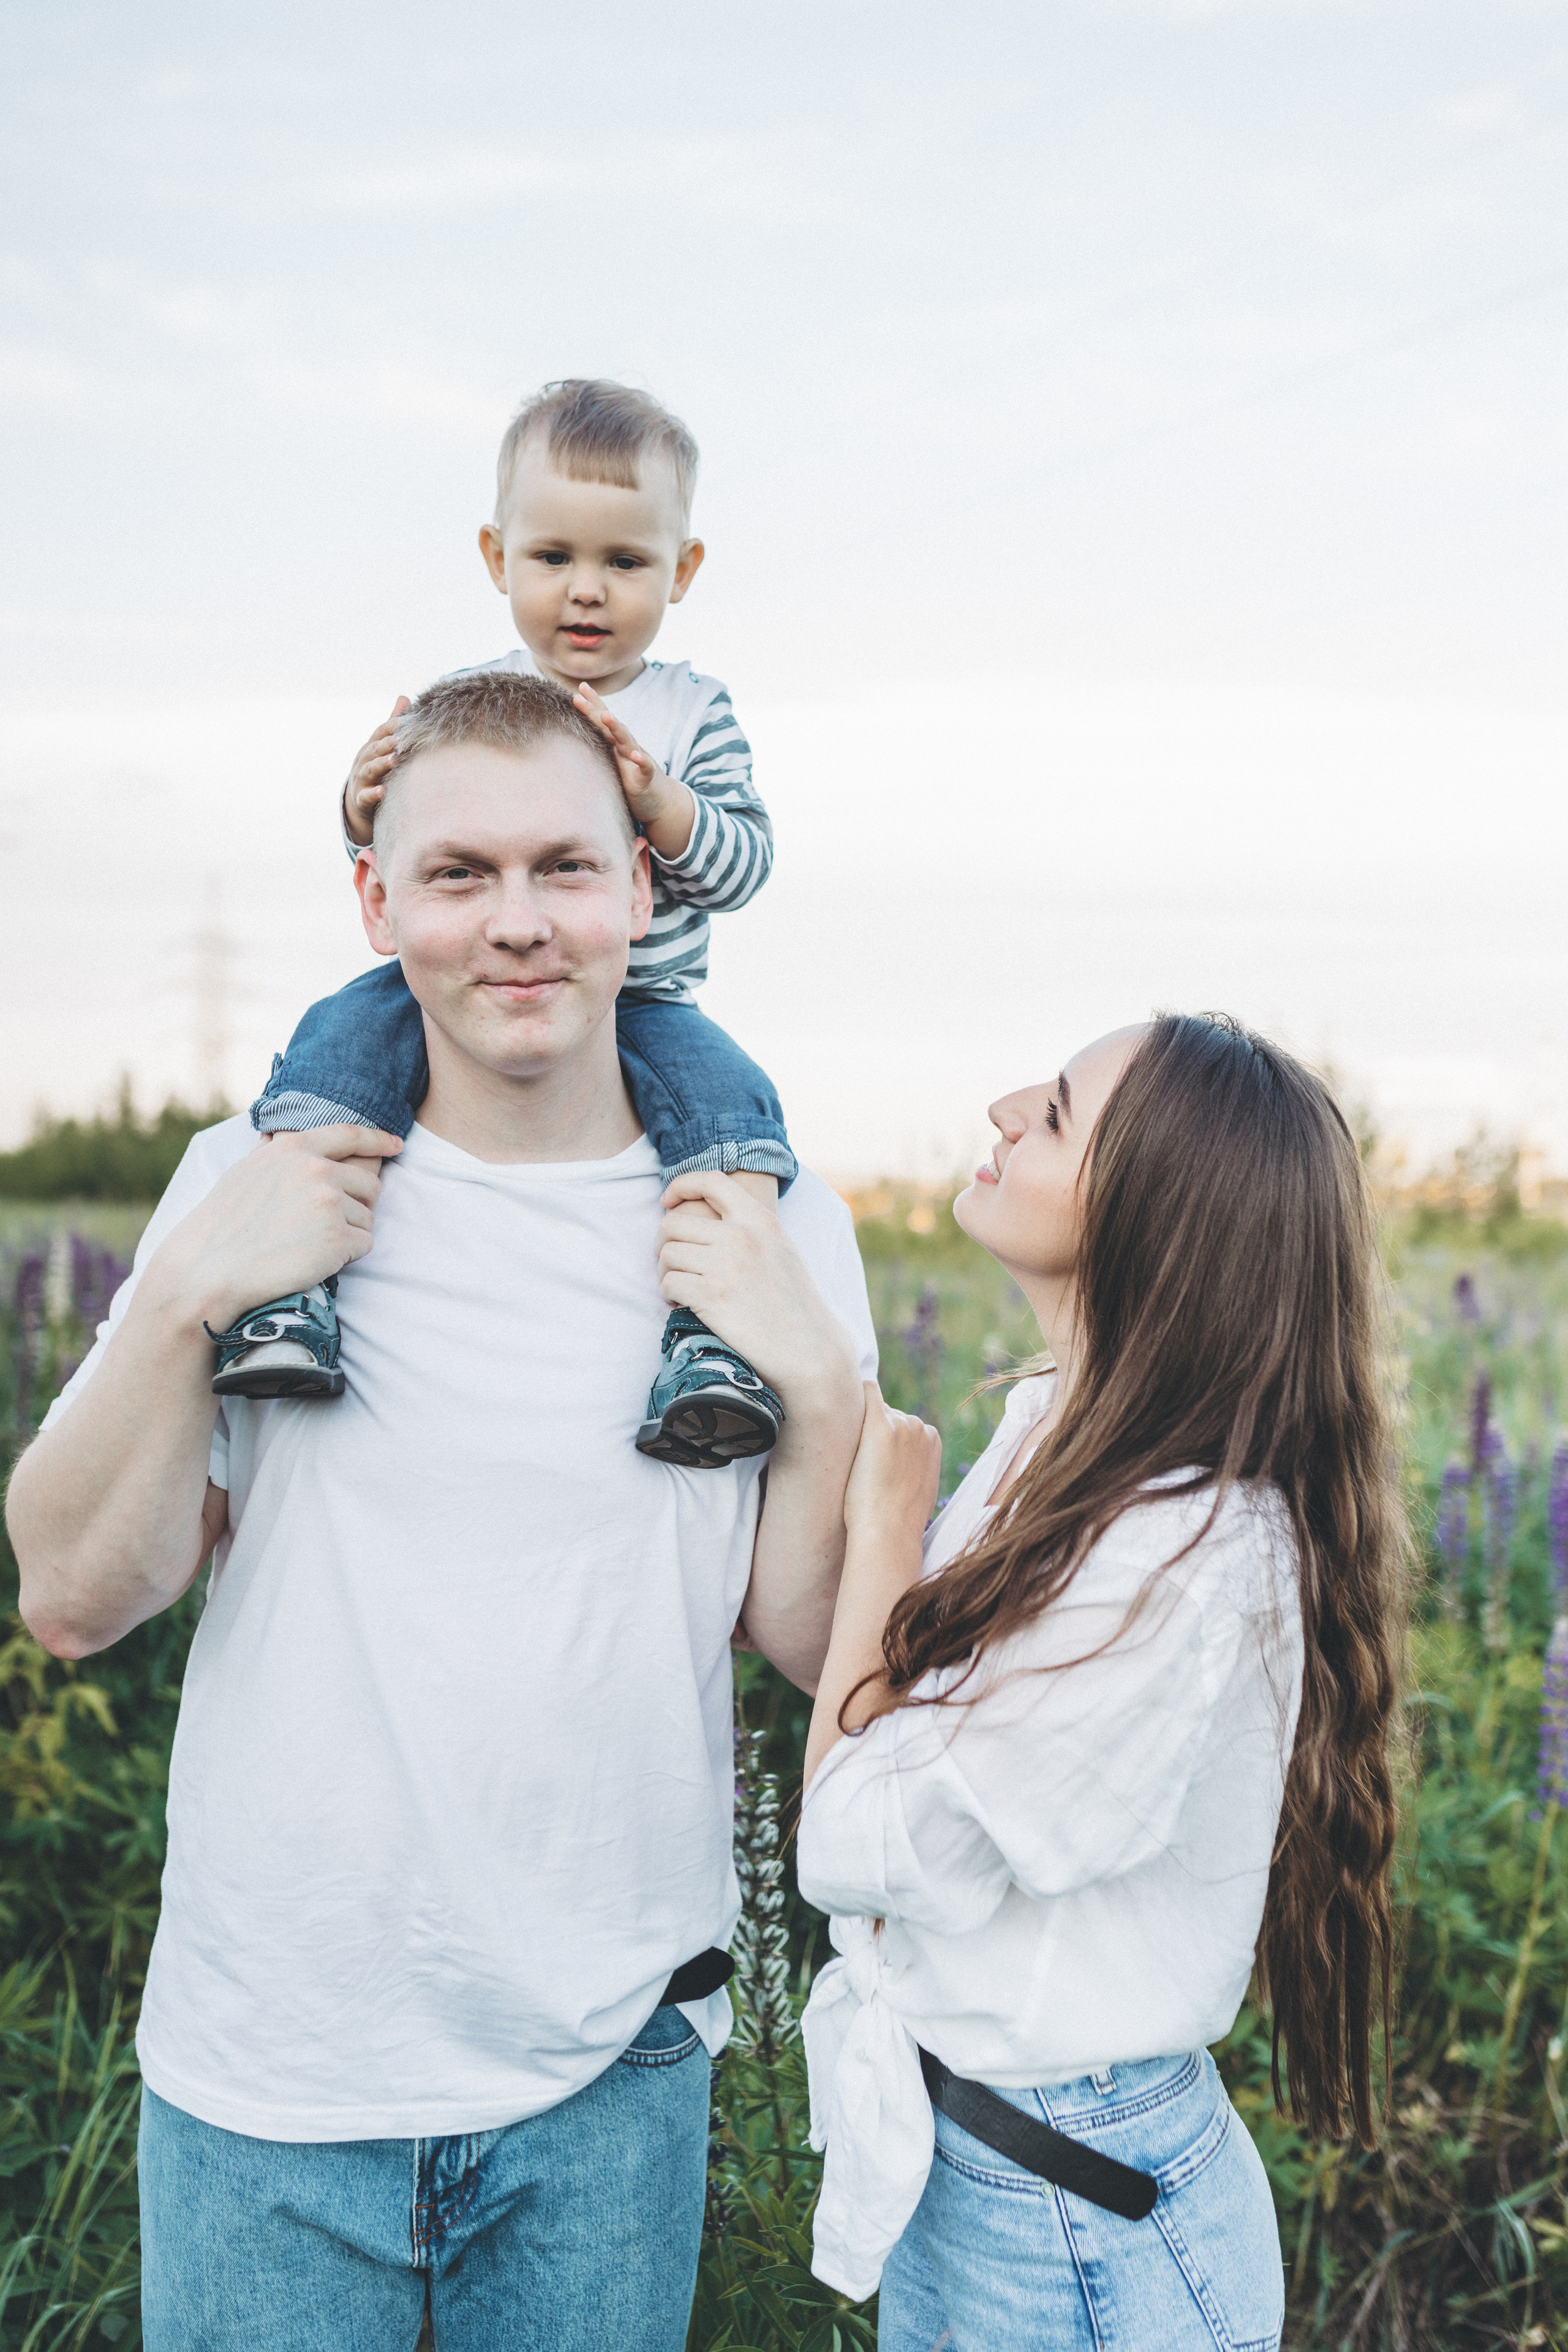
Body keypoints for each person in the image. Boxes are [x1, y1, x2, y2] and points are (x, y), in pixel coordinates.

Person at [5, 671, 875, 2352]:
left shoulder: (759, 1215)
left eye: (563, 868)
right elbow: (70, 1594)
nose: (519, 925)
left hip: (610, 2076)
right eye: (461, 875)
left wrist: (825, 1390)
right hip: (278, 2071)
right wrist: (196, 1284)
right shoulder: (245, 1180)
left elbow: (800, 1639)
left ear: (640, 885)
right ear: (376, 899)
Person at [794, 1015, 1408, 2350]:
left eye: (1060, 1113)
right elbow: (885, 1713)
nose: (1007, 1104)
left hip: (1073, 2216)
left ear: (1155, 1218)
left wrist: (885, 1532)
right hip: (1001, 2167)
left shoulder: (1172, 1548)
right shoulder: (1055, 1432)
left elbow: (858, 1840)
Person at [221, 376, 791, 1471]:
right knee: (336, 1055)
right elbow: (394, 853)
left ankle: (713, 1349)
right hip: (465, 993)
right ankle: (287, 1298)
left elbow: (746, 864)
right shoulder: (465, 700)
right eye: (553, 558)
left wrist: (661, 803)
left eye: (625, 563)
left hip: (645, 999)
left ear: (682, 571)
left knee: (733, 1119)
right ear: (496, 558)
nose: (588, 592)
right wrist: (355, 805)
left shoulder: (690, 712)